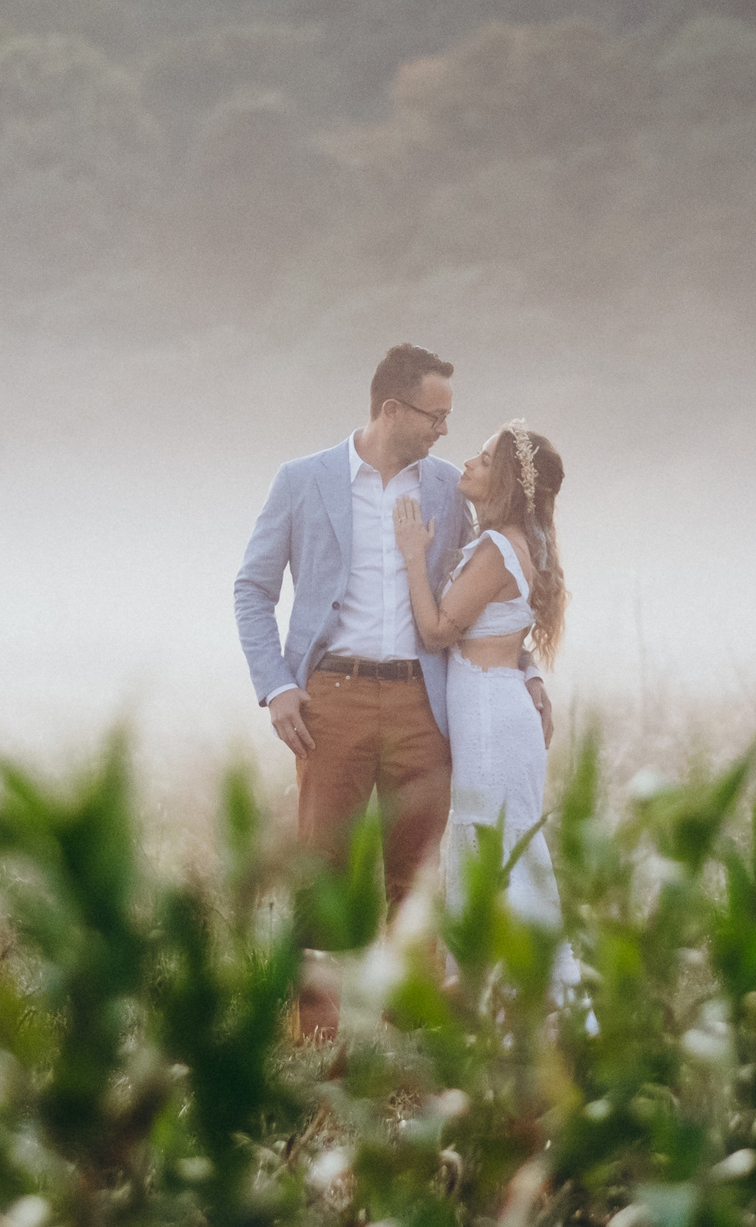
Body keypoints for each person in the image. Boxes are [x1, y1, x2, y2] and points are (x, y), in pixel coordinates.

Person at [233, 345, 554, 943]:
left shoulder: (448, 490)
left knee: (419, 873)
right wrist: (275, 685)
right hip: (330, 699)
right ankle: (318, 1030)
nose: (445, 429)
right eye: (435, 416)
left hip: (424, 702)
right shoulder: (302, 480)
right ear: (391, 409)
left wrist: (526, 670)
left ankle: (409, 1021)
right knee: (324, 870)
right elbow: (253, 590)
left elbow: (483, 593)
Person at [392, 420, 568, 934]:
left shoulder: (497, 549)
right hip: (494, 710)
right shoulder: (516, 542)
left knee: (498, 853)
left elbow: (437, 631)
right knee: (497, 851)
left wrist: (411, 556)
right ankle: (504, 997)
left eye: (486, 460)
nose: (469, 463)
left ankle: (516, 992)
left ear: (509, 481)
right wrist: (532, 675)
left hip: (492, 722)